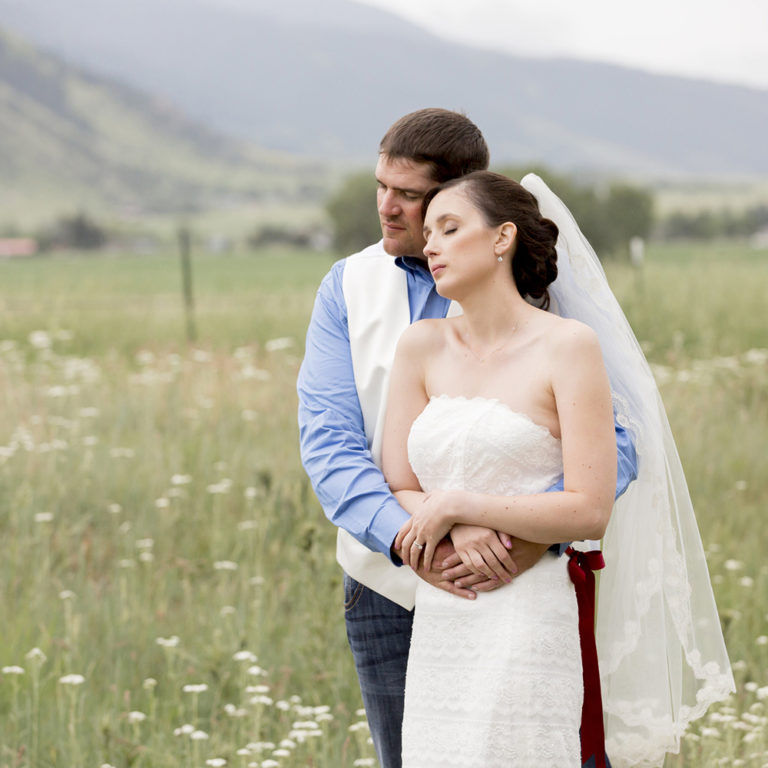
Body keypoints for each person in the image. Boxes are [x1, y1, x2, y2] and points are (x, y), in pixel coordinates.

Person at [297, 109, 638, 768]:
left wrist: (522, 534)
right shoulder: (347, 288)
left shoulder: (550, 297)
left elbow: (616, 444)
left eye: (412, 197)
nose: (388, 209)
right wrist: (422, 533)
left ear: (463, 193)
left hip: (527, 576)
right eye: (380, 187)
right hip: (388, 578)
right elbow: (331, 443)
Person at [380, 171, 734, 767]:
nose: (431, 244)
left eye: (450, 227)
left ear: (503, 238)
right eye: (429, 232)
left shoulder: (568, 347)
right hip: (445, 609)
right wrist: (452, 523)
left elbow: (589, 506)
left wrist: (459, 505)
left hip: (527, 608)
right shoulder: (420, 345)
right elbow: (401, 484)